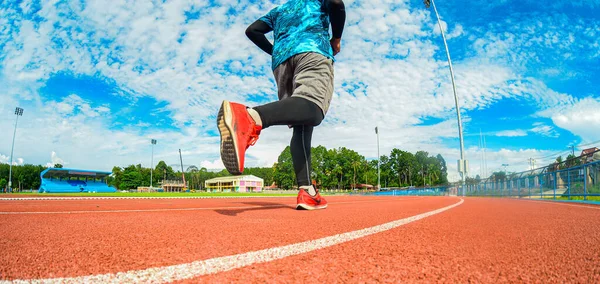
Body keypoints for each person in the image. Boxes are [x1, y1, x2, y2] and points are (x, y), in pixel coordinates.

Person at [217, 0, 346, 210]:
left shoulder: (279, 11)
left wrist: (275, 50)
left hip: (281, 65)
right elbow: (336, 3)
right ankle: (251, 117)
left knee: (301, 122)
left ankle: (307, 191)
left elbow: (253, 31)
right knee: (313, 109)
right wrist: (337, 38)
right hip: (312, 50)